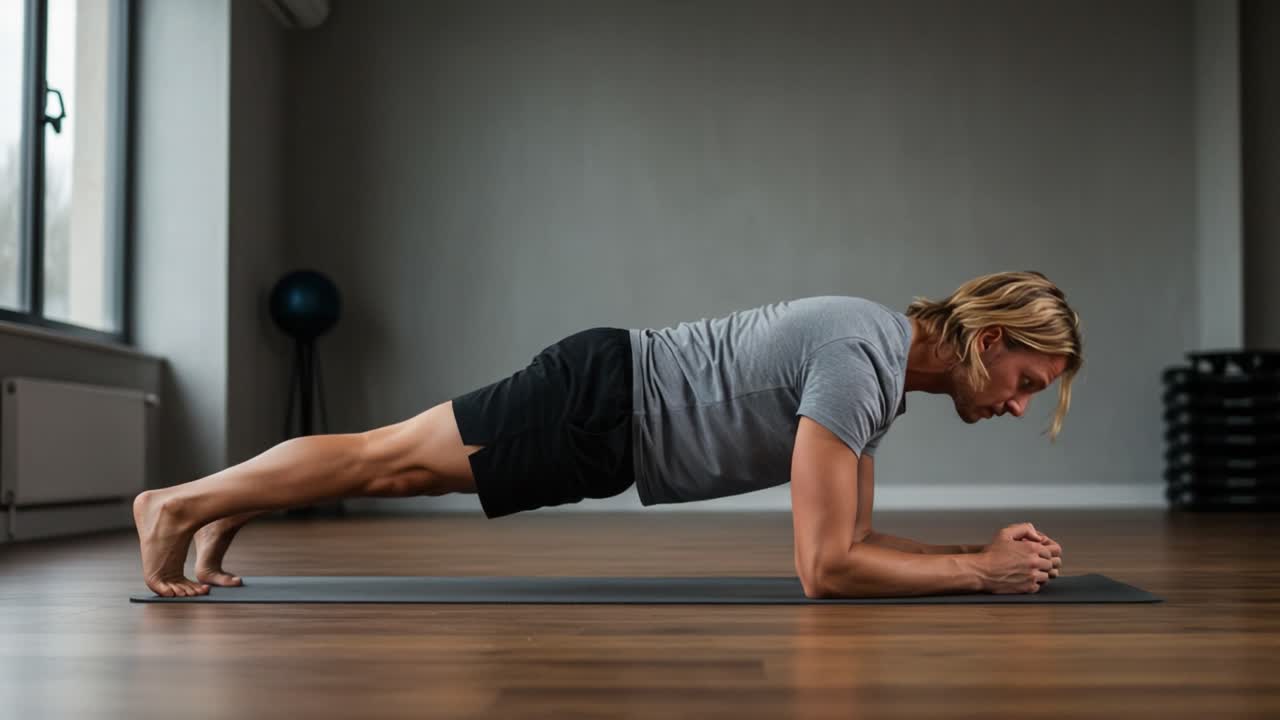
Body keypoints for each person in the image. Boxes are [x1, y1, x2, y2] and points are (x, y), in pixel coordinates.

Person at [134, 270, 1082, 598]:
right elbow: (825, 568)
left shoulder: (877, 374)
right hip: (603, 401)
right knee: (385, 464)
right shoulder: (860, 357)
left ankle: (221, 509)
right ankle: (176, 504)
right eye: (1025, 383)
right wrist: (977, 573)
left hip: (609, 417)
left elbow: (860, 547)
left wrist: (977, 553)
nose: (1016, 406)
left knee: (389, 467)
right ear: (989, 340)